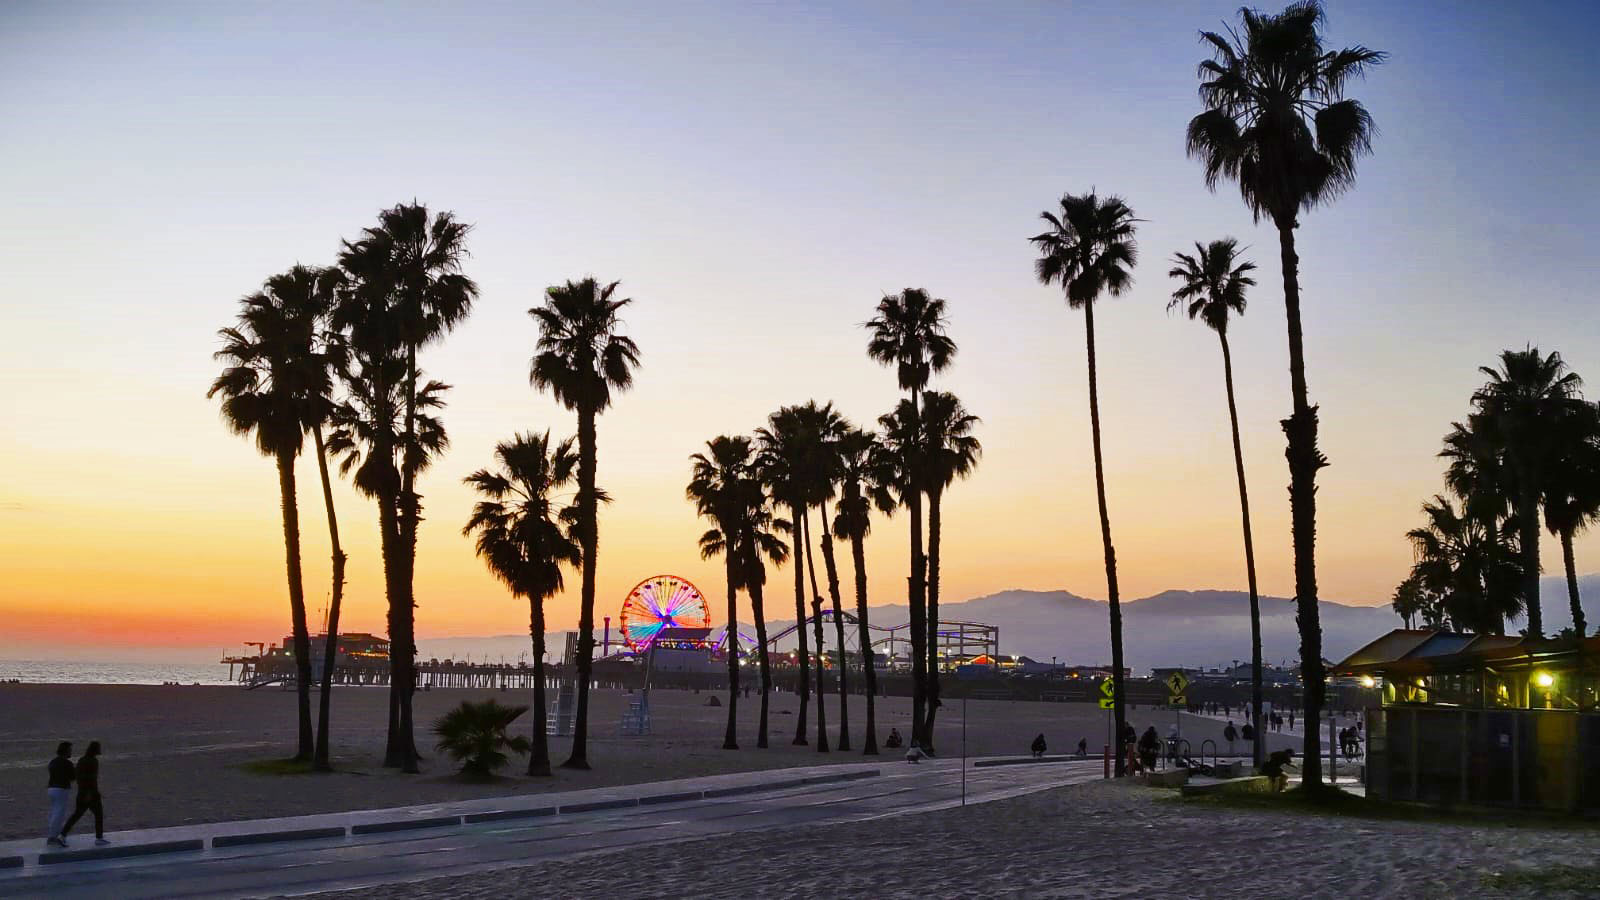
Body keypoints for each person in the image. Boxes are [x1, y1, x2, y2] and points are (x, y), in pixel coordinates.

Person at [61, 741, 107, 845]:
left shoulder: (82, 760)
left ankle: (63, 834)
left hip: (81, 792)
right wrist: (92, 793)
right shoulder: (93, 761)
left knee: (77, 815)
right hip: (91, 794)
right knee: (98, 815)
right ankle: (99, 838)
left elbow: (78, 777)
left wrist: (83, 791)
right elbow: (92, 779)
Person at [46, 741, 74, 847]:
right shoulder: (67, 763)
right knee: (59, 813)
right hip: (61, 789)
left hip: (51, 788)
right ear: (66, 751)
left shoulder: (53, 762)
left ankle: (52, 835)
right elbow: (72, 777)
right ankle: (53, 837)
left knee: (54, 812)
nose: (71, 752)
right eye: (70, 750)